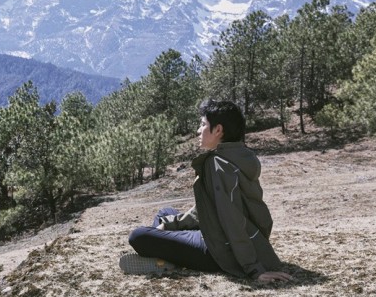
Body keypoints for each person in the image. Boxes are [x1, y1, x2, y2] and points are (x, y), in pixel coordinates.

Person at [120, 99, 292, 283]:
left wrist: (254, 269)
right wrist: (170, 225)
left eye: (203, 125)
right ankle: (168, 254)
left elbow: (232, 218)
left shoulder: (217, 164)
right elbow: (205, 210)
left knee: (138, 236)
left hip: (220, 252)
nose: (198, 131)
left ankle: (167, 261)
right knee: (165, 213)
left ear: (218, 130)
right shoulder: (239, 156)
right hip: (225, 235)